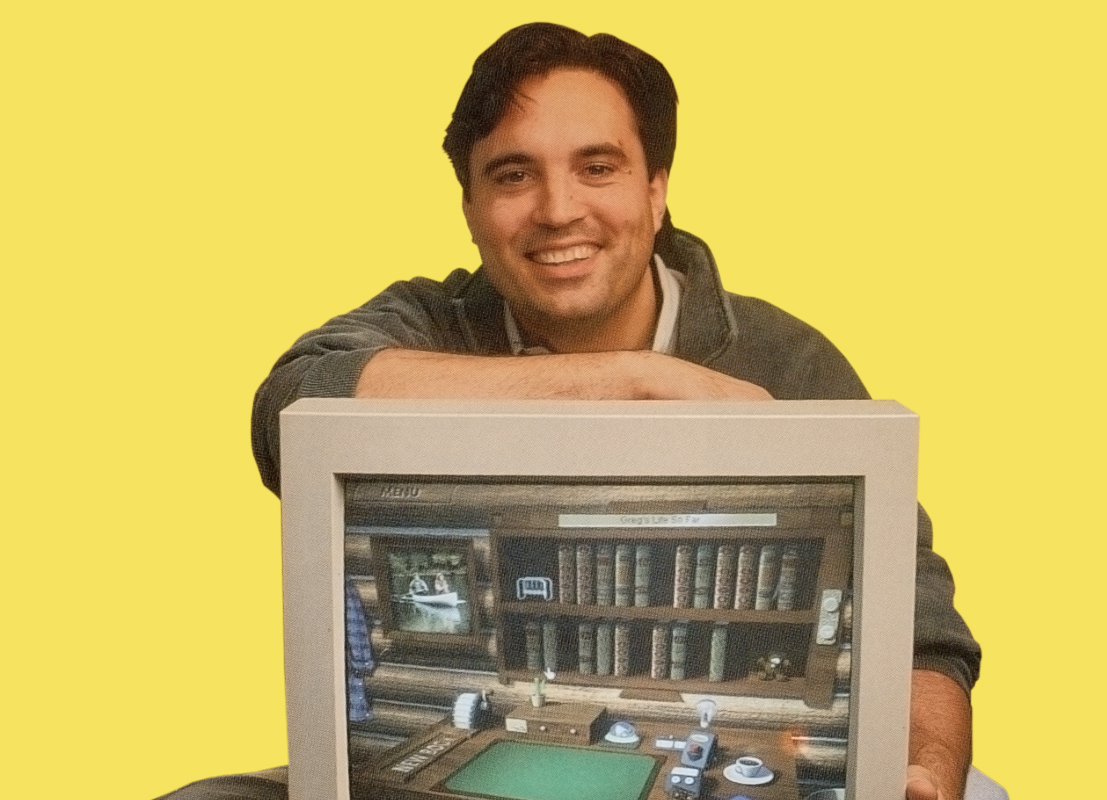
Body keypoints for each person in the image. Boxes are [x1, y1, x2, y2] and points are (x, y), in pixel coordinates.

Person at [164, 22, 1002, 800]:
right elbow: (294, 404)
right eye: (513, 174)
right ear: (469, 207)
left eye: (597, 167)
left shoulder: (790, 358)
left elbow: (923, 636)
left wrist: (922, 770)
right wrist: (634, 381)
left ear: (657, 189)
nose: (558, 209)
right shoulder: (423, 322)